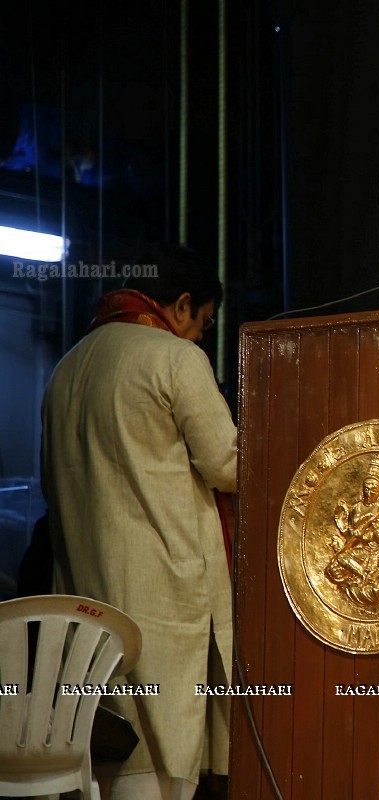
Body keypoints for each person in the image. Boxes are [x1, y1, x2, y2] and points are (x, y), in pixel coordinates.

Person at [41, 243, 237, 800]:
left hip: (84, 603)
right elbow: (227, 464)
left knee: (101, 753)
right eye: (203, 323)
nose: (200, 336)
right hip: (162, 600)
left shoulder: (65, 369)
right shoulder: (173, 358)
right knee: (159, 763)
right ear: (180, 306)